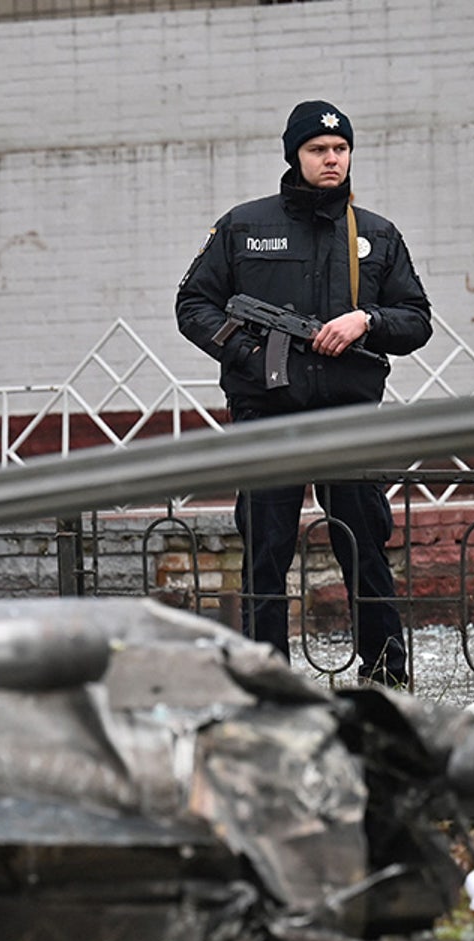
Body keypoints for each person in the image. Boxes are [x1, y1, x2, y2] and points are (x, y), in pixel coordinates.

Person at [175, 101, 432, 687]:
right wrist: (252, 356)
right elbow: (193, 306)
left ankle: (386, 679)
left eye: (340, 150)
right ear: (295, 155)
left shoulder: (376, 235)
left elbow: (416, 321)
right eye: (319, 150)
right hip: (268, 417)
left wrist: (367, 320)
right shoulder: (244, 227)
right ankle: (269, 684)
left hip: (348, 419)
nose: (332, 159)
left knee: (364, 550)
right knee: (265, 555)